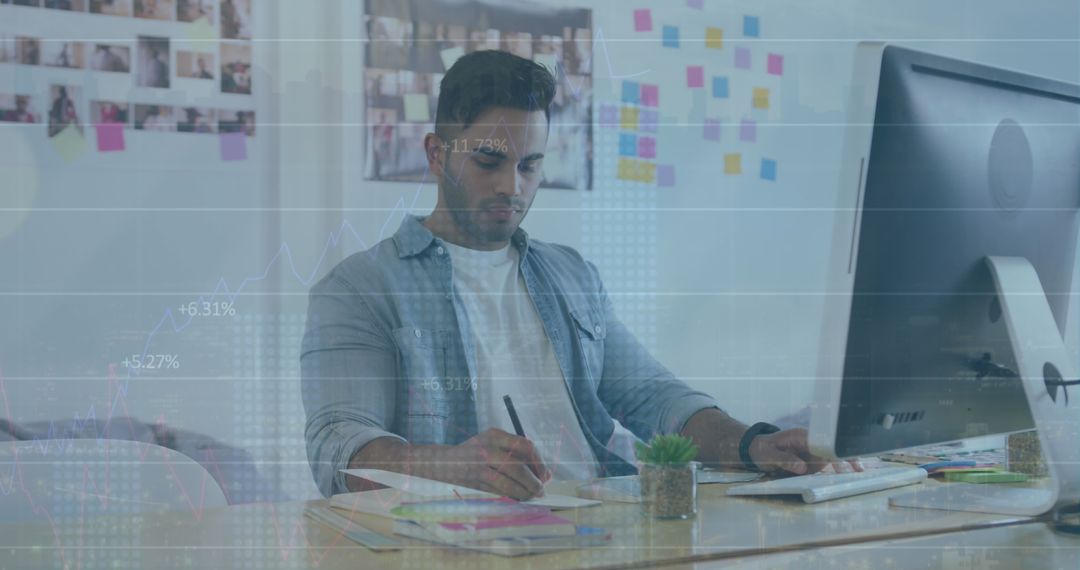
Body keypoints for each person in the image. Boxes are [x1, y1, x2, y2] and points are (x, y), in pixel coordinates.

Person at [301, 50, 858, 499]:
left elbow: (652, 397)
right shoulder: (359, 290)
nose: (511, 188)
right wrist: (454, 466)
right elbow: (339, 448)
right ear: (437, 154)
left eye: (530, 165)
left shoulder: (571, 275)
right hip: (461, 546)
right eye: (489, 161)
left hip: (601, 529)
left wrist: (752, 445)